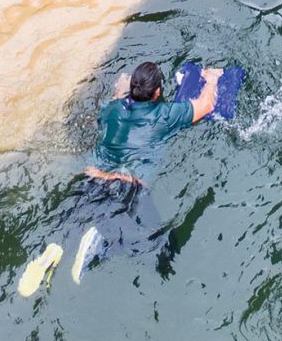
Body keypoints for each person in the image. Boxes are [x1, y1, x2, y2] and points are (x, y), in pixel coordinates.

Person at [18, 60, 221, 295]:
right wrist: (212, 78)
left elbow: (116, 102)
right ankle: (102, 243)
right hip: (126, 189)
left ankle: (54, 249)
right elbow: (207, 105)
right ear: (157, 92)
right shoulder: (165, 115)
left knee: (69, 227)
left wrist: (120, 92)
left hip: (90, 182)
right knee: (164, 249)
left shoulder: (111, 109)